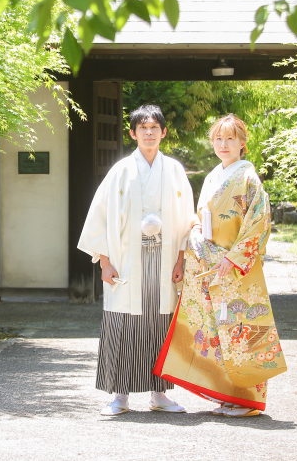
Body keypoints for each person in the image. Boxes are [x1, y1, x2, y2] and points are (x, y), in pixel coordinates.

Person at [153, 114, 287, 417]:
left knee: (242, 328)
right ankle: (229, 394)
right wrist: (196, 234)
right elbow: (201, 217)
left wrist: (234, 257)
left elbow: (258, 223)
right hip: (213, 265)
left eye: (230, 138)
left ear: (243, 143)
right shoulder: (215, 175)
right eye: (218, 138)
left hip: (236, 267)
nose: (223, 144)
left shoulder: (248, 178)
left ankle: (248, 398)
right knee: (218, 330)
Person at [78, 104, 195, 416]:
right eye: (142, 128)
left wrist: (181, 259)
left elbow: (186, 220)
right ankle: (120, 396)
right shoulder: (121, 171)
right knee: (124, 324)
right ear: (132, 133)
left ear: (163, 132)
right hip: (127, 260)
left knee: (160, 323)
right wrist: (104, 262)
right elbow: (99, 216)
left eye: (154, 128)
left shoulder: (174, 171)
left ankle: (160, 394)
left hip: (165, 257)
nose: (148, 133)